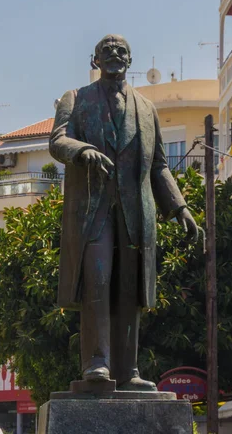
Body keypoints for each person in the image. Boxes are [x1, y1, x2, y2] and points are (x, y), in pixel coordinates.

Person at [50, 35, 198, 391]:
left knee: (130, 291)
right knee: (98, 282)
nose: (114, 55)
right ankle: (97, 364)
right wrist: (82, 150)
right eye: (106, 51)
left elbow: (159, 165)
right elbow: (57, 140)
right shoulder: (77, 99)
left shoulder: (147, 109)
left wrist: (179, 206)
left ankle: (128, 370)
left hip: (136, 213)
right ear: (95, 60)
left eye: (121, 52)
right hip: (93, 212)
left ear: (130, 59)